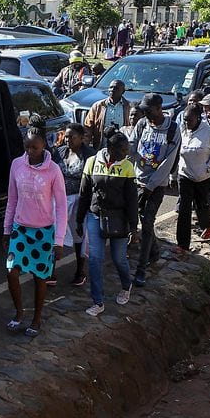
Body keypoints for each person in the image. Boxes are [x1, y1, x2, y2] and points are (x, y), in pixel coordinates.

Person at [3, 123, 67, 336]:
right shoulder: (16, 165)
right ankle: (19, 313)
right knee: (12, 272)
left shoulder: (54, 171)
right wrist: (6, 230)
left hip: (43, 232)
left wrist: (59, 241)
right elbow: (12, 199)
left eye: (35, 148)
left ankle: (36, 319)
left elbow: (61, 206)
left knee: (40, 278)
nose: (30, 152)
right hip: (20, 228)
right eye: (27, 147)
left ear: (44, 147)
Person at [76, 126, 138, 314]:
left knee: (119, 259)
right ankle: (98, 301)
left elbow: (132, 200)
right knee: (95, 260)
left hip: (119, 218)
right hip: (96, 216)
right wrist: (79, 220)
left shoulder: (127, 167)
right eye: (123, 151)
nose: (126, 154)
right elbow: (84, 193)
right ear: (111, 149)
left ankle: (126, 285)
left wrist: (134, 227)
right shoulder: (92, 162)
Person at [128, 93, 180, 287]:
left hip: (156, 185)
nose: (147, 114)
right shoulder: (142, 124)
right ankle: (155, 252)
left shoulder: (173, 129)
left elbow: (168, 162)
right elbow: (132, 148)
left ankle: (141, 268)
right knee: (141, 222)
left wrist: (150, 187)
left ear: (159, 108)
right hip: (137, 181)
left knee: (147, 222)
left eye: (149, 111)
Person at [53, 123, 97, 287]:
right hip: (58, 200)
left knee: (79, 235)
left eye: (72, 136)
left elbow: (92, 182)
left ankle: (80, 271)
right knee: (54, 234)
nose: (67, 139)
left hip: (79, 201)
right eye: (66, 136)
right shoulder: (59, 152)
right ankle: (50, 271)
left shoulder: (90, 155)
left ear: (81, 137)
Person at [176, 103, 210, 251]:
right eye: (185, 120)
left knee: (201, 207)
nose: (187, 123)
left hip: (203, 177)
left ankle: (209, 224)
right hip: (185, 174)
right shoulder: (182, 129)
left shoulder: (208, 132)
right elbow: (176, 151)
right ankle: (182, 244)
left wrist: (209, 168)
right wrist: (173, 173)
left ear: (198, 118)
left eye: (190, 120)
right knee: (184, 209)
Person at [84, 79, 129, 149]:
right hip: (101, 148)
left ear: (123, 91)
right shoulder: (98, 106)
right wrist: (86, 147)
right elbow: (88, 127)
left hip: (121, 150)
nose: (112, 90)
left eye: (116, 88)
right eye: (111, 87)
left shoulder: (128, 107)